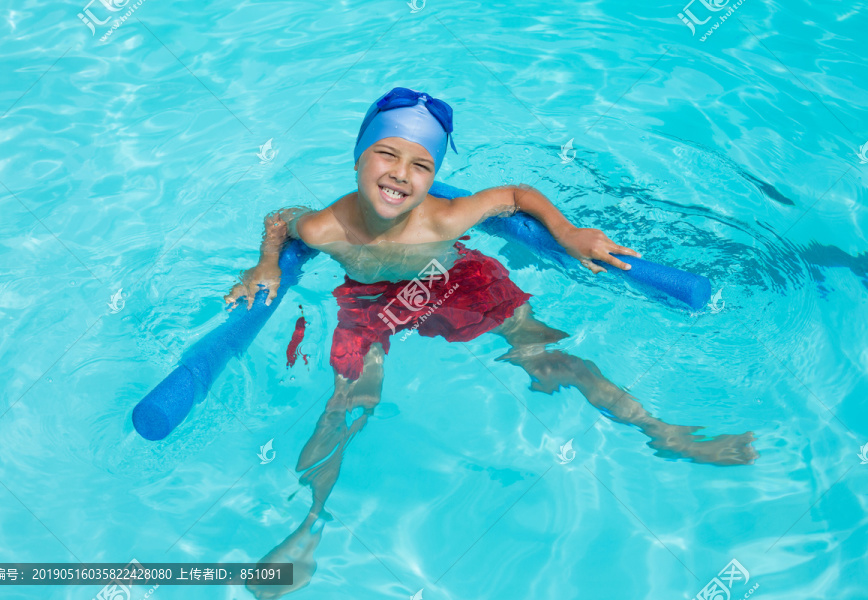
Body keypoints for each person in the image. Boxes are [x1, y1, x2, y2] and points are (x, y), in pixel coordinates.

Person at [225, 87, 758, 598]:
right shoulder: (324, 227)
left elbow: (515, 195)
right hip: (370, 302)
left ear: (434, 176)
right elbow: (280, 221)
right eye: (386, 155)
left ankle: (660, 431)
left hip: (450, 279)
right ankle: (310, 523)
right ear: (358, 158)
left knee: (549, 357)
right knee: (348, 400)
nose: (400, 175)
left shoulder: (447, 214)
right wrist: (265, 264)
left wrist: (567, 233)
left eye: (421, 166)